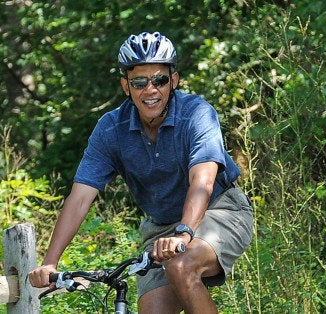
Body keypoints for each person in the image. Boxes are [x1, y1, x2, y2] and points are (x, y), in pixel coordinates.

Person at [29, 32, 254, 314]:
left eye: (159, 80)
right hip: (161, 229)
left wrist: (184, 234)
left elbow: (203, 181)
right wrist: (50, 262)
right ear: (126, 86)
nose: (150, 90)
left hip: (220, 211)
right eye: (139, 82)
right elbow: (80, 198)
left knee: (182, 266)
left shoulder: (197, 113)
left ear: (174, 80)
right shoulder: (111, 129)